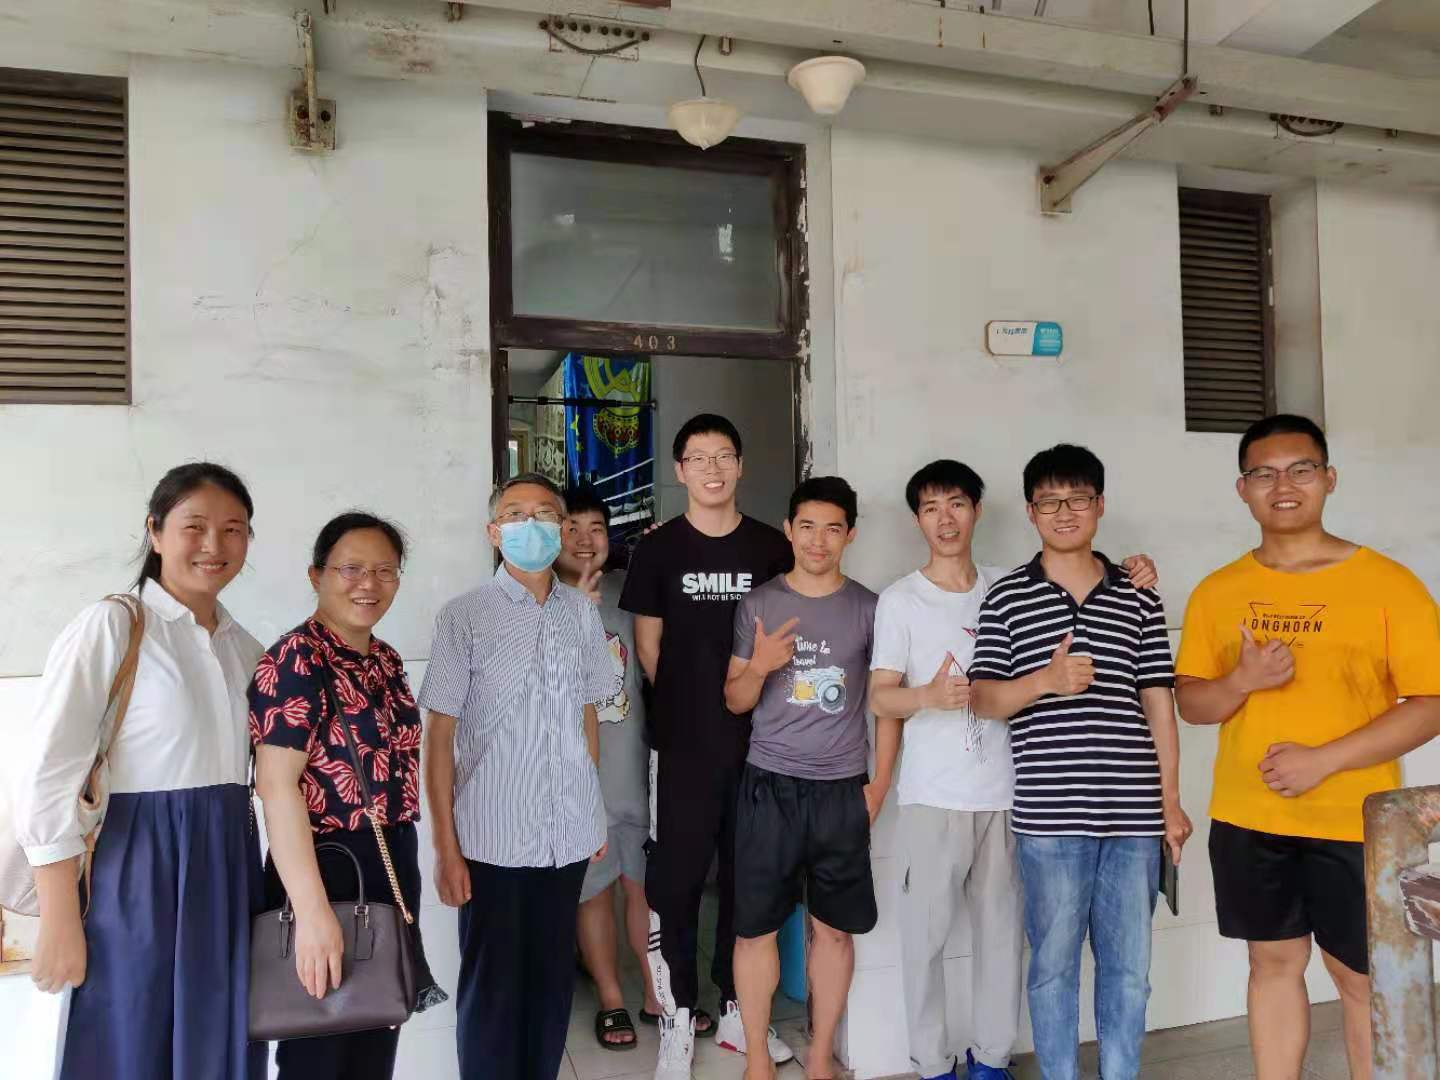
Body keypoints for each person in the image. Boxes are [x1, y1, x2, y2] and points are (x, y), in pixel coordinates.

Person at [868, 459, 1160, 1080]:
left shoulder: (1007, 585)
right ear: (917, 520)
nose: (945, 519)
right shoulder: (900, 599)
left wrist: (1134, 568)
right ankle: (932, 1063)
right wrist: (927, 697)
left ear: (978, 510)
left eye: (957, 504)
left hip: (1014, 795)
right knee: (925, 940)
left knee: (1003, 941)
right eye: (930, 509)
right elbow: (879, 698)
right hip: (934, 795)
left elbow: (1079, 573)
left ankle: (992, 1058)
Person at [1174, 414, 1440, 1080]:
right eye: (1263, 474)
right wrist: (1242, 680)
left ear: (1329, 479)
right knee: (1271, 964)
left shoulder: (1389, 583)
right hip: (1248, 816)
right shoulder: (1218, 591)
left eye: (1300, 469)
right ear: (1242, 489)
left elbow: (1432, 703)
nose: (1283, 485)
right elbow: (1192, 703)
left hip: (1361, 822)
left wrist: (1323, 761)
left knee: (1364, 977)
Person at [16, 462, 267, 1080]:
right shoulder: (115, 625)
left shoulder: (247, 650)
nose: (214, 545)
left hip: (229, 869)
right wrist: (60, 920)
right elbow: (48, 776)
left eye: (233, 529)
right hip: (136, 872)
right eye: (194, 526)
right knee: (129, 1041)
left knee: (220, 1044)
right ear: (154, 532)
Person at [969, 444, 1191, 1080]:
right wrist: (1046, 680)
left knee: (1129, 972)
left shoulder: (1139, 596)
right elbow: (983, 699)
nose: (1064, 512)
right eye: (1049, 502)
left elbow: (1158, 701)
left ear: (1100, 505)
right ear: (1031, 512)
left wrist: (1170, 802)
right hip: (1050, 817)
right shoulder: (1007, 598)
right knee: (1053, 969)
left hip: (1133, 817)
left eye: (1078, 499)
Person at [419, 473, 616, 1080]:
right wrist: (446, 849)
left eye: (544, 514)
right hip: (491, 842)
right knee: (493, 992)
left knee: (551, 985)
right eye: (515, 514)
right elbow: (439, 737)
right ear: (493, 531)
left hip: (567, 838)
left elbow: (588, 713)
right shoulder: (464, 616)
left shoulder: (581, 615)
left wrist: (590, 806)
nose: (531, 525)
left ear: (561, 529)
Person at [620, 413, 794, 1079]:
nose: (713, 469)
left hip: (762, 745)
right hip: (684, 747)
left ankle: (735, 1012)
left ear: (740, 466)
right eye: (699, 458)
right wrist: (693, 710)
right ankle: (677, 1015)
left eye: (724, 456)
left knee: (749, 881)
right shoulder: (658, 550)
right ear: (680, 470)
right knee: (678, 884)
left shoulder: (770, 548)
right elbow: (649, 648)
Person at [249, 511, 445, 1080]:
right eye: (351, 569)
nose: (369, 584)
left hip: (389, 859)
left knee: (373, 1033)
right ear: (317, 575)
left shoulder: (384, 659)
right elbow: (276, 787)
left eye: (385, 570)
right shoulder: (296, 659)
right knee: (321, 1047)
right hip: (326, 867)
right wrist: (312, 914)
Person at [725, 476, 879, 1080]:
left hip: (841, 788)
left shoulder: (869, 608)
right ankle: (757, 1059)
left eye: (832, 528)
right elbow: (735, 700)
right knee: (754, 931)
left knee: (834, 933)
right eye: (807, 526)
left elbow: (886, 701)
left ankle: (819, 1058)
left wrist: (877, 786)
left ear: (850, 535)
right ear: (789, 530)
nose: (818, 540)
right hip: (769, 784)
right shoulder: (759, 605)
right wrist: (761, 666)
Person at [557, 487, 663, 1051]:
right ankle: (610, 996)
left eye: (595, 527)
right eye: (570, 527)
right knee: (591, 893)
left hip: (633, 772)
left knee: (642, 887)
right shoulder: (538, 601)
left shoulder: (629, 594)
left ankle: (655, 991)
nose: (584, 539)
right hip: (576, 784)